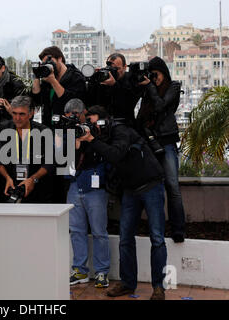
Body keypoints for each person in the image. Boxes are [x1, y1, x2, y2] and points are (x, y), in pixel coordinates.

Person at [83, 105, 167, 300]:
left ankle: (158, 287)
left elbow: (115, 154)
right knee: (125, 239)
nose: (93, 127)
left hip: (151, 184)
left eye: (95, 123)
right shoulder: (100, 137)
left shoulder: (121, 131)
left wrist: (91, 140)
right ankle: (128, 283)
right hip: (130, 189)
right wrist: (82, 141)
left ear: (105, 121)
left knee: (157, 238)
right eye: (90, 124)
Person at [136, 56, 186, 243]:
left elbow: (161, 106)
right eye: (151, 75)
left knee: (172, 185)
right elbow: (142, 115)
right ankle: (155, 227)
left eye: (155, 75)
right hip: (151, 143)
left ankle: (178, 229)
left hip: (167, 141)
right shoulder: (148, 90)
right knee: (153, 187)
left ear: (164, 73)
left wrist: (150, 87)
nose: (154, 78)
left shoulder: (173, 87)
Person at [64, 99, 110, 288]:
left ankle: (102, 272)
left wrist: (89, 136)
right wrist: (71, 140)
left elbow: (105, 153)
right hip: (75, 185)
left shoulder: (98, 129)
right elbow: (62, 158)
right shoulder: (67, 131)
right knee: (76, 230)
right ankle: (80, 270)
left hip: (95, 186)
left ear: (83, 113)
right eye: (69, 118)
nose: (73, 121)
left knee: (99, 232)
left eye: (75, 117)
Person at [0, 96, 54, 203]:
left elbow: (50, 163)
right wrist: (7, 177)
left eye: (21, 114)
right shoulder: (2, 130)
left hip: (38, 192)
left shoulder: (44, 131)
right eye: (14, 113)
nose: (17, 118)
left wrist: (33, 179)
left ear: (31, 113)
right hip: (9, 190)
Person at [32, 46, 86, 128]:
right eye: (45, 63)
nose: (49, 65)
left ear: (60, 59)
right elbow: (36, 99)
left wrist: (53, 81)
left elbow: (70, 101)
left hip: (69, 128)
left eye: (50, 62)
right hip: (49, 127)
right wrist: (37, 75)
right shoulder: (48, 77)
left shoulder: (76, 77)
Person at [87, 53, 144, 128]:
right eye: (110, 68)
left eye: (117, 69)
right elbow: (92, 102)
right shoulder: (103, 79)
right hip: (103, 125)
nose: (113, 71)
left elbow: (128, 104)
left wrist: (114, 85)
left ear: (125, 67)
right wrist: (94, 80)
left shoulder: (132, 80)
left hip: (124, 125)